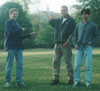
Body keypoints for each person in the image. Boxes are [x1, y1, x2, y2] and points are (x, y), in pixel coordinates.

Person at [4, 8, 36, 87]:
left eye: (16, 14)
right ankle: (7, 81)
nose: (15, 15)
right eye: (13, 14)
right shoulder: (8, 23)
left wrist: (29, 35)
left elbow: (19, 37)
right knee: (9, 65)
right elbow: (11, 34)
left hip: (19, 47)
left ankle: (19, 81)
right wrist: (20, 29)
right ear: (10, 14)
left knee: (20, 64)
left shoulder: (17, 24)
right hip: (11, 47)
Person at [72, 8, 100, 88]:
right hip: (79, 48)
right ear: (81, 15)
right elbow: (74, 36)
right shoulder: (78, 25)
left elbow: (98, 36)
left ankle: (87, 82)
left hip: (88, 47)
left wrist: (91, 42)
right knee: (77, 65)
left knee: (88, 66)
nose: (84, 15)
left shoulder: (93, 25)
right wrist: (75, 44)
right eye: (83, 14)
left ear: (89, 15)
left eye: (86, 14)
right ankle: (76, 81)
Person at [49, 5, 75, 85]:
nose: (62, 12)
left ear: (67, 11)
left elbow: (72, 33)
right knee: (55, 62)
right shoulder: (58, 20)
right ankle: (55, 79)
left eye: (64, 10)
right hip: (57, 44)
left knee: (68, 62)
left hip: (65, 44)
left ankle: (70, 79)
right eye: (61, 10)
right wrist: (48, 13)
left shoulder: (71, 20)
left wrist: (67, 42)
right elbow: (50, 21)